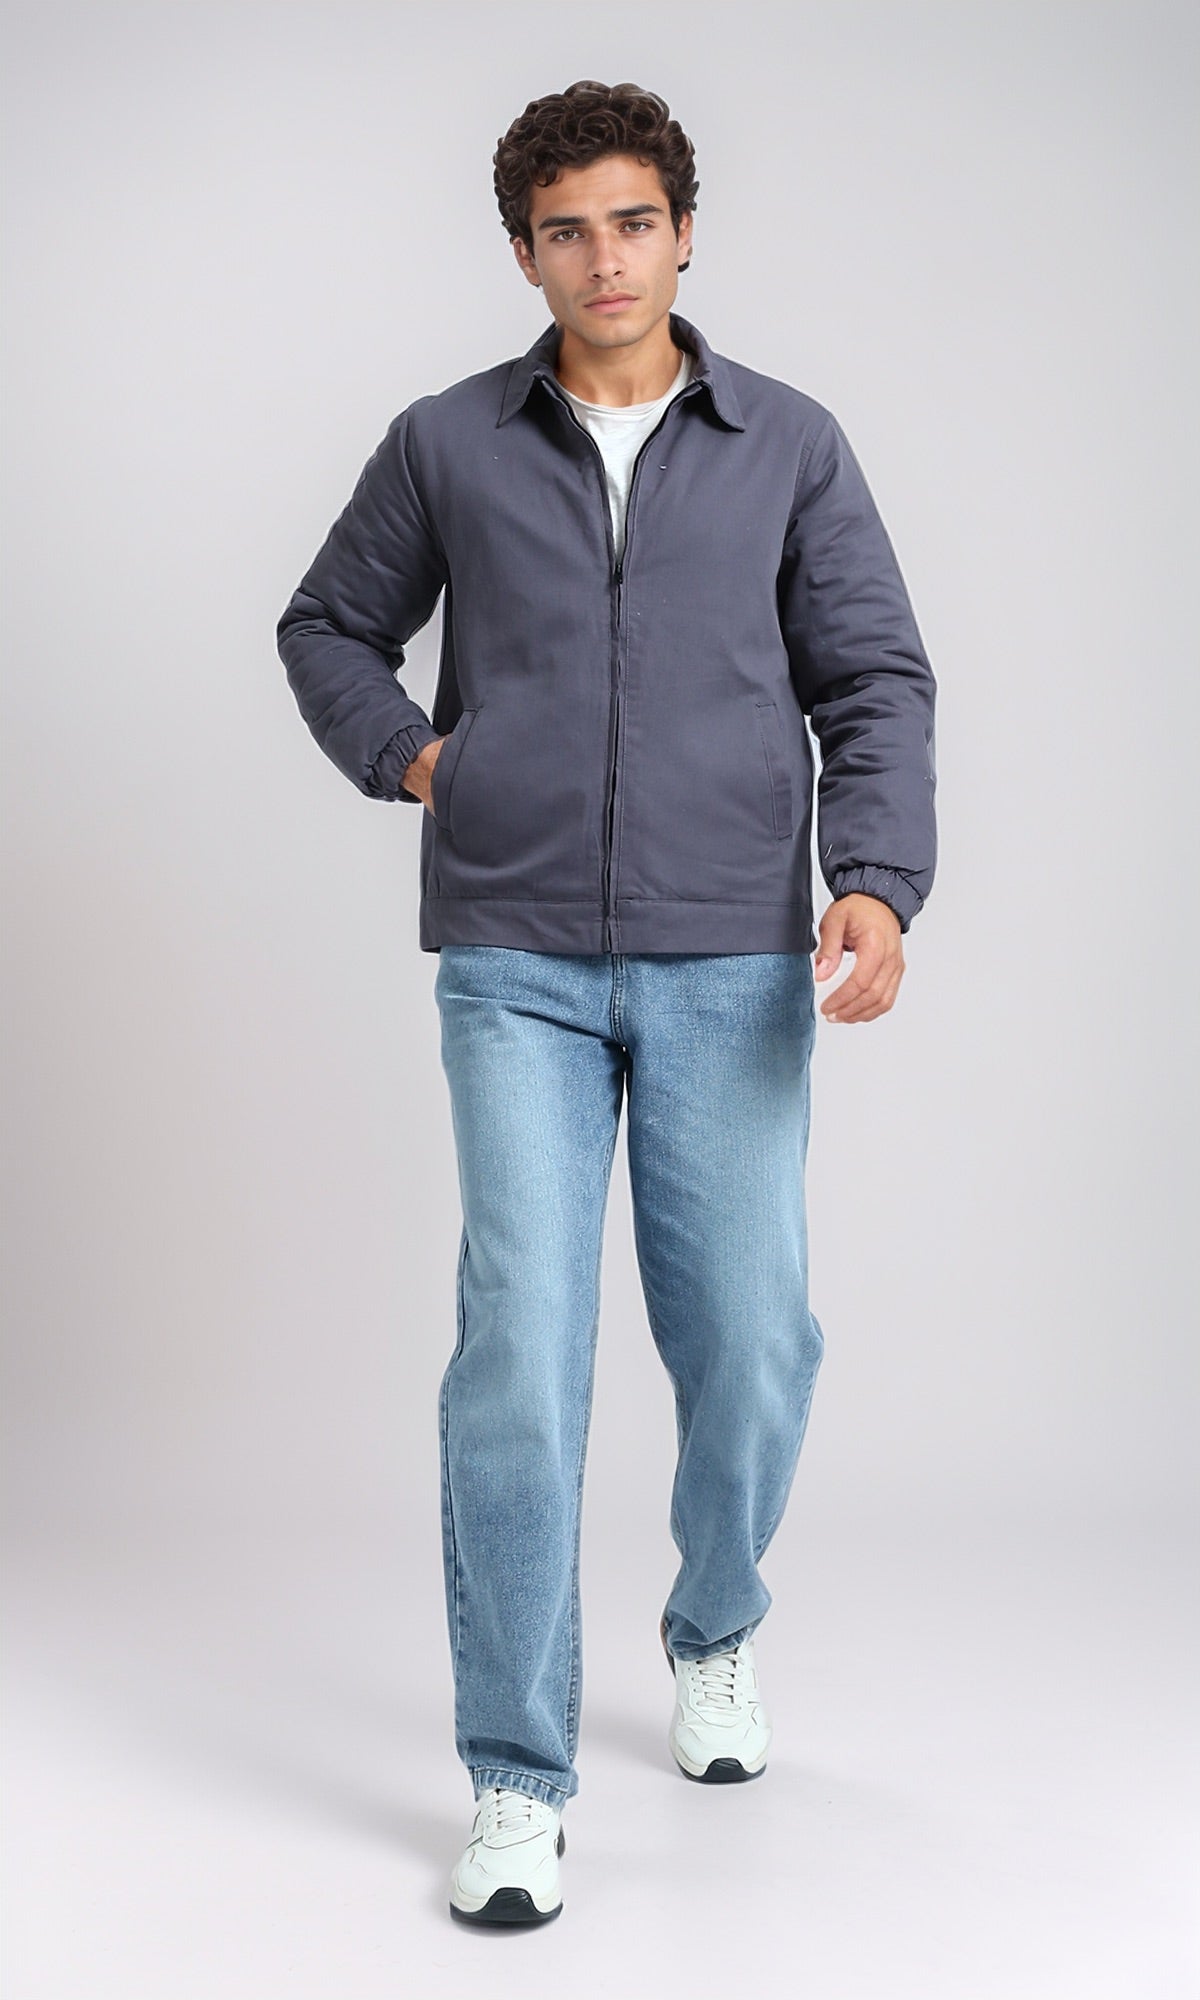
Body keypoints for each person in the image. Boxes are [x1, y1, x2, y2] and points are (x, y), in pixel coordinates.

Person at [276, 78, 937, 1929]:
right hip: (518, 960)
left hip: (736, 953)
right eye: (566, 230)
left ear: (685, 233)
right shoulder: (448, 442)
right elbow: (328, 627)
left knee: (754, 1340)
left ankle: (714, 1624)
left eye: (634, 222)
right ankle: (516, 1776)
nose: (605, 259)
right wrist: (422, 760)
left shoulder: (788, 442)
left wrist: (875, 877)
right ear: (524, 254)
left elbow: (873, 676)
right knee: (518, 1355)